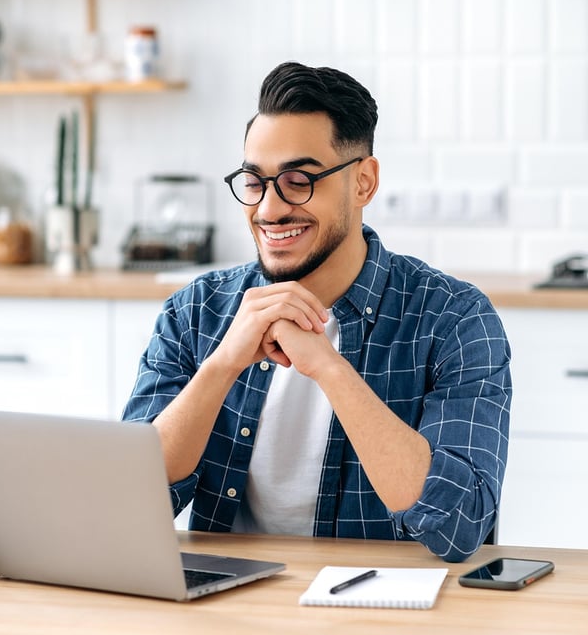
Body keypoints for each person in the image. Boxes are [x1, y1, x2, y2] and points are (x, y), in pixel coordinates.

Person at [122, 61, 512, 563]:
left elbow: (461, 525)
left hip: (378, 607)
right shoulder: (196, 312)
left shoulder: (454, 319)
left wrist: (329, 368)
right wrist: (221, 366)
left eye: (298, 180)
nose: (269, 209)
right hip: (226, 604)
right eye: (255, 181)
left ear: (363, 183)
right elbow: (134, 501)